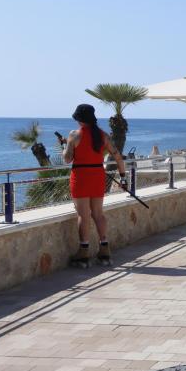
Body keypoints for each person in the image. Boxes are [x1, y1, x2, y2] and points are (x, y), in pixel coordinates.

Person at [61, 104, 127, 267]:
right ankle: (104, 249)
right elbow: (118, 157)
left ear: (79, 118)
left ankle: (83, 252)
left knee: (83, 215)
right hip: (97, 176)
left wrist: (65, 145)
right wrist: (123, 178)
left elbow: (67, 159)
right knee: (98, 213)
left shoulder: (74, 135)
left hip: (81, 177)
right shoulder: (103, 135)